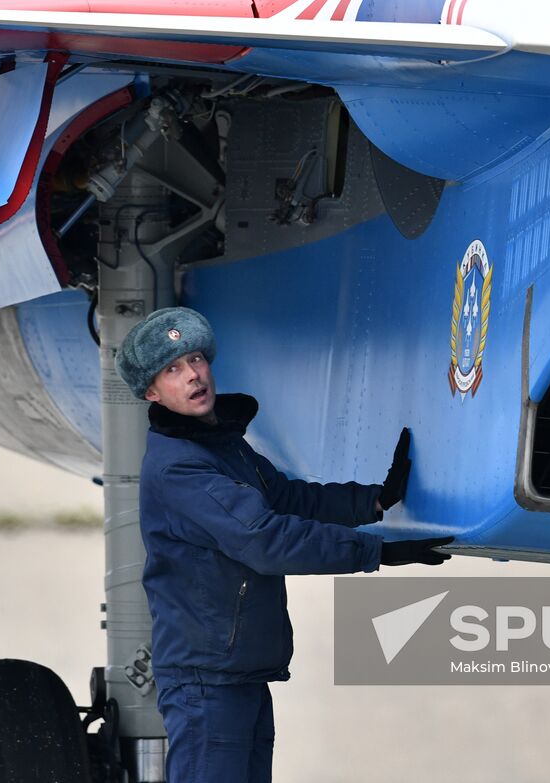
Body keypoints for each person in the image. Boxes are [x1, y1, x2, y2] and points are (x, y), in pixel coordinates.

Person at [115, 306, 453, 783]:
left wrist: (373, 502)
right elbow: (264, 538)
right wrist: (374, 552)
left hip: (240, 672)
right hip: (207, 682)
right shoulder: (179, 467)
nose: (192, 374)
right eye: (172, 370)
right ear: (152, 392)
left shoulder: (223, 446)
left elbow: (289, 498)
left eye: (195, 359)